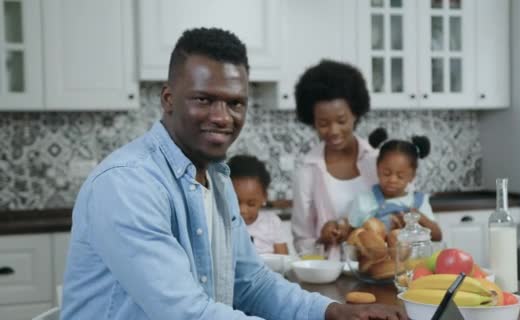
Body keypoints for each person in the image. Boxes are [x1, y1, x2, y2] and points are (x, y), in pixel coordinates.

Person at [60, 27, 405, 320]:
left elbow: (251, 282)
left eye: (235, 102)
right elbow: (187, 313)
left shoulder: (218, 180)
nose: (223, 116)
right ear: (168, 99)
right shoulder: (127, 184)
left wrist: (333, 311)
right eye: (204, 99)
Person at [291, 60, 379, 260]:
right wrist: (322, 240)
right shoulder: (307, 171)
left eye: (341, 121)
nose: (333, 131)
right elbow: (302, 241)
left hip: (378, 269)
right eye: (323, 123)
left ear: (355, 114)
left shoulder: (377, 161)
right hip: (330, 276)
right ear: (312, 121)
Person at [348, 128, 442, 241]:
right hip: (378, 258)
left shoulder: (419, 201)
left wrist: (417, 217)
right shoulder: (364, 200)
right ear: (378, 169)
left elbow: (437, 236)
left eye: (400, 176)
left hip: (414, 258)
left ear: (412, 176)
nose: (392, 180)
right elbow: (350, 237)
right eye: (387, 173)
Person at [228, 154, 288, 255]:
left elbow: (283, 261)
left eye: (251, 204)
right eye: (235, 202)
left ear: (264, 197)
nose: (242, 210)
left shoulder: (272, 223)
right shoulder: (222, 224)